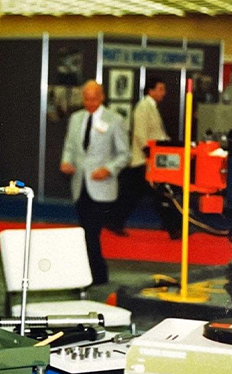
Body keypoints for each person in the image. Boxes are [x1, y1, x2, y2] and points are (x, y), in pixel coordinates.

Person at [60, 80, 130, 285]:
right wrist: (66, 161)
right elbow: (69, 147)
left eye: (93, 98)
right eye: (86, 98)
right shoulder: (75, 118)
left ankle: (96, 274)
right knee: (85, 231)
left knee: (91, 231)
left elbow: (125, 154)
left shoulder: (115, 120)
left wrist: (108, 169)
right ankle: (93, 273)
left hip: (102, 187)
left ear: (102, 97)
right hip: (79, 184)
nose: (89, 103)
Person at [108, 78, 182, 239]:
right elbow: (140, 134)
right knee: (155, 194)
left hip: (149, 159)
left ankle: (115, 222)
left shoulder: (151, 107)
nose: (164, 92)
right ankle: (173, 228)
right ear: (151, 90)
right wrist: (149, 154)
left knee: (136, 195)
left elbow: (157, 134)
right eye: (160, 88)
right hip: (144, 160)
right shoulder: (143, 107)